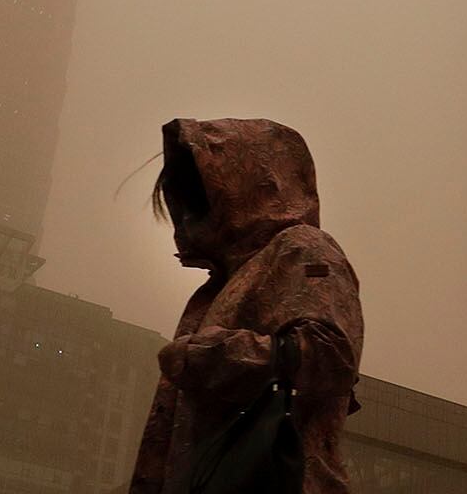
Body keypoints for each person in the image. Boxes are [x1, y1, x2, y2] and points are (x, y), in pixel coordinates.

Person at [128, 118, 364, 494]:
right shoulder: (225, 281)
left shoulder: (304, 250)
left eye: (203, 190)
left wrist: (214, 355)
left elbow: (329, 356)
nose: (191, 212)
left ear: (254, 182)